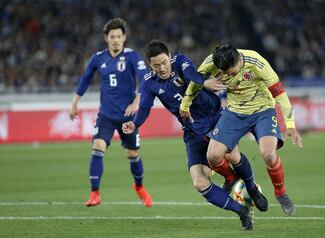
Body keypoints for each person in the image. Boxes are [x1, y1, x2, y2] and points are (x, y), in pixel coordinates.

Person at [122, 40, 269, 230]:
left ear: (169, 56)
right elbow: (144, 108)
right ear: (150, 65)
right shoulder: (150, 83)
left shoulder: (180, 61)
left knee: (232, 155)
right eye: (156, 65)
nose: (162, 68)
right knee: (200, 182)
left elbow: (192, 74)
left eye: (164, 62)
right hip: (192, 130)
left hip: (216, 118)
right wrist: (134, 124)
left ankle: (251, 188)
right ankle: (242, 211)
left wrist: (204, 82)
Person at [180, 44, 303, 216]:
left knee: (268, 154)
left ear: (239, 59)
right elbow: (195, 84)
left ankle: (280, 193)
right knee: (213, 156)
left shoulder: (257, 62)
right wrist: (185, 105)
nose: (228, 76)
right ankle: (231, 178)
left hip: (263, 112)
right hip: (234, 112)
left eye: (231, 72)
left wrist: (290, 124)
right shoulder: (211, 62)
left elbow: (279, 93)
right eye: (225, 73)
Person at [69, 18, 153, 207]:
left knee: (133, 154)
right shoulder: (98, 58)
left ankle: (139, 186)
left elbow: (145, 81)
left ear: (124, 38)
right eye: (112, 36)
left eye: (119, 36)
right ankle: (95, 193)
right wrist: (74, 103)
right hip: (106, 115)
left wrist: (136, 102)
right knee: (97, 147)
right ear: (106, 38)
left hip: (128, 118)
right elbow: (85, 80)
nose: (116, 39)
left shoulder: (133, 57)